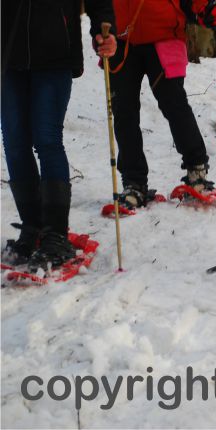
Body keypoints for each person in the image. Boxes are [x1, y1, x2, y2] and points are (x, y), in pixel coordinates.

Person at [1, 0, 117, 271]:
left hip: (54, 53)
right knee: (14, 142)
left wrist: (104, 32)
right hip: (7, 52)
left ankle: (55, 235)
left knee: (46, 138)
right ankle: (32, 228)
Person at [110, 0, 216, 208]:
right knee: (123, 112)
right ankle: (133, 182)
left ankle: (196, 169)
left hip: (164, 34)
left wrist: (205, 8)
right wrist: (99, 31)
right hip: (120, 40)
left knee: (174, 105)